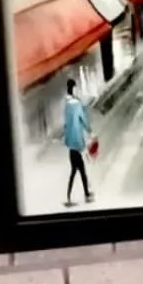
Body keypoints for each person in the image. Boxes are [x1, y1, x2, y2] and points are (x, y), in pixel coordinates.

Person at [62, 78, 91, 206]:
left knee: (75, 172)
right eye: (75, 87)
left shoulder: (67, 105)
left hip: (71, 146)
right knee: (80, 172)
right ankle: (85, 195)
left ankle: (74, 196)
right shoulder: (77, 104)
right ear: (73, 88)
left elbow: (66, 125)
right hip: (76, 144)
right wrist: (90, 131)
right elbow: (83, 119)